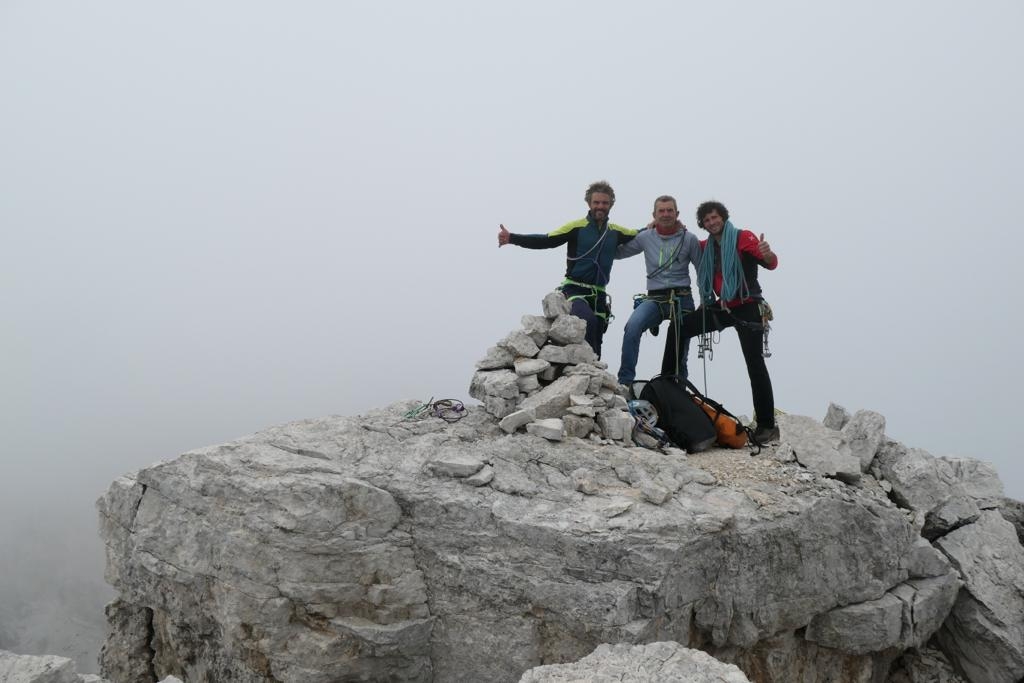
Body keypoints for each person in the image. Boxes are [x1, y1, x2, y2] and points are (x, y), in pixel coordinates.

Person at [671, 200, 780, 442]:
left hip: (749, 305)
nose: (712, 222)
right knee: (681, 326)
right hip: (722, 307)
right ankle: (670, 384)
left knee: (755, 364)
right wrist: (672, 225)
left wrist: (767, 252)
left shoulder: (743, 238)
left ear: (723, 217)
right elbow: (685, 241)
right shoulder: (706, 246)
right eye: (707, 220)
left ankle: (767, 425)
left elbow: (771, 263)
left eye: (715, 217)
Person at [497, 180, 637, 358]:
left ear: (611, 204)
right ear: (589, 203)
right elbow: (546, 240)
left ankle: (591, 377)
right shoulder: (576, 227)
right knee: (587, 321)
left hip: (599, 295)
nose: (600, 206)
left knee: (597, 339)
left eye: (604, 203)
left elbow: (640, 234)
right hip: (574, 290)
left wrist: (657, 226)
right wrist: (512, 238)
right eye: (596, 202)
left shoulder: (616, 231)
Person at [614, 195, 702, 391]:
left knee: (680, 346)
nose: (666, 214)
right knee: (632, 327)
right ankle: (625, 382)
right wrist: (603, 238)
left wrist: (707, 299)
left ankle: (677, 388)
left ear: (677, 213)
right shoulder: (645, 237)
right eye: (661, 211)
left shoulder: (689, 239)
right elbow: (618, 253)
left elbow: (702, 270)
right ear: (654, 215)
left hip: (682, 297)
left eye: (670, 210)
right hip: (654, 297)